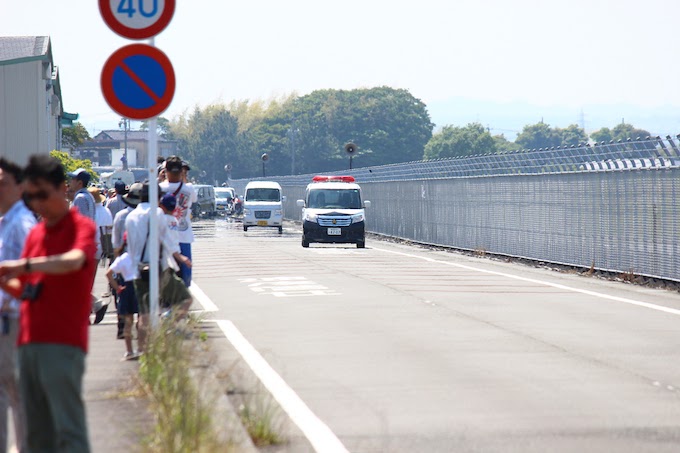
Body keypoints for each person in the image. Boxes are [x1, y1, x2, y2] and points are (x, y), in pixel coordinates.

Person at [0, 154, 95, 453]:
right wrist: (5, 279)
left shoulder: (81, 228)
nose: (38, 202)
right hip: (28, 343)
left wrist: (25, 265)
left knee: (69, 430)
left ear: (62, 188)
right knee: (36, 436)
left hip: (62, 343)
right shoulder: (37, 233)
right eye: (32, 196)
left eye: (43, 194)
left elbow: (74, 260)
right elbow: (26, 292)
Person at [125, 182, 192, 353]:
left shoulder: (131, 217)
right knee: (185, 299)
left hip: (138, 270)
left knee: (144, 314)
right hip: (159, 269)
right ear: (158, 197)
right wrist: (180, 257)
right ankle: (168, 325)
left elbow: (127, 246)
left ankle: (142, 351)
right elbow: (167, 239)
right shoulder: (158, 213)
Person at [0, 158, 35, 453]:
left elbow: (33, 276)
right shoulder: (4, 222)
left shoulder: (22, 223)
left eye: (3, 184)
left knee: (17, 393)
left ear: (20, 187)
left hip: (13, 321)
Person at [67, 169, 107, 324]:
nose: (70, 183)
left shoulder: (80, 198)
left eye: (72, 180)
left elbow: (80, 223)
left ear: (79, 182)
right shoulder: (87, 197)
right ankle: (91, 308)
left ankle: (95, 306)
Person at [159, 156, 196, 287]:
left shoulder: (159, 188)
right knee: (186, 273)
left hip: (164, 236)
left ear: (165, 171)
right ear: (181, 171)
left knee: (163, 270)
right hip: (184, 235)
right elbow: (193, 201)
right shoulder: (189, 189)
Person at [105, 233, 140, 360]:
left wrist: (117, 287)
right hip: (139, 287)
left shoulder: (123, 257)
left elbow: (108, 273)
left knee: (128, 322)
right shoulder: (140, 256)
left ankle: (129, 351)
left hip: (126, 288)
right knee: (141, 321)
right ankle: (142, 348)